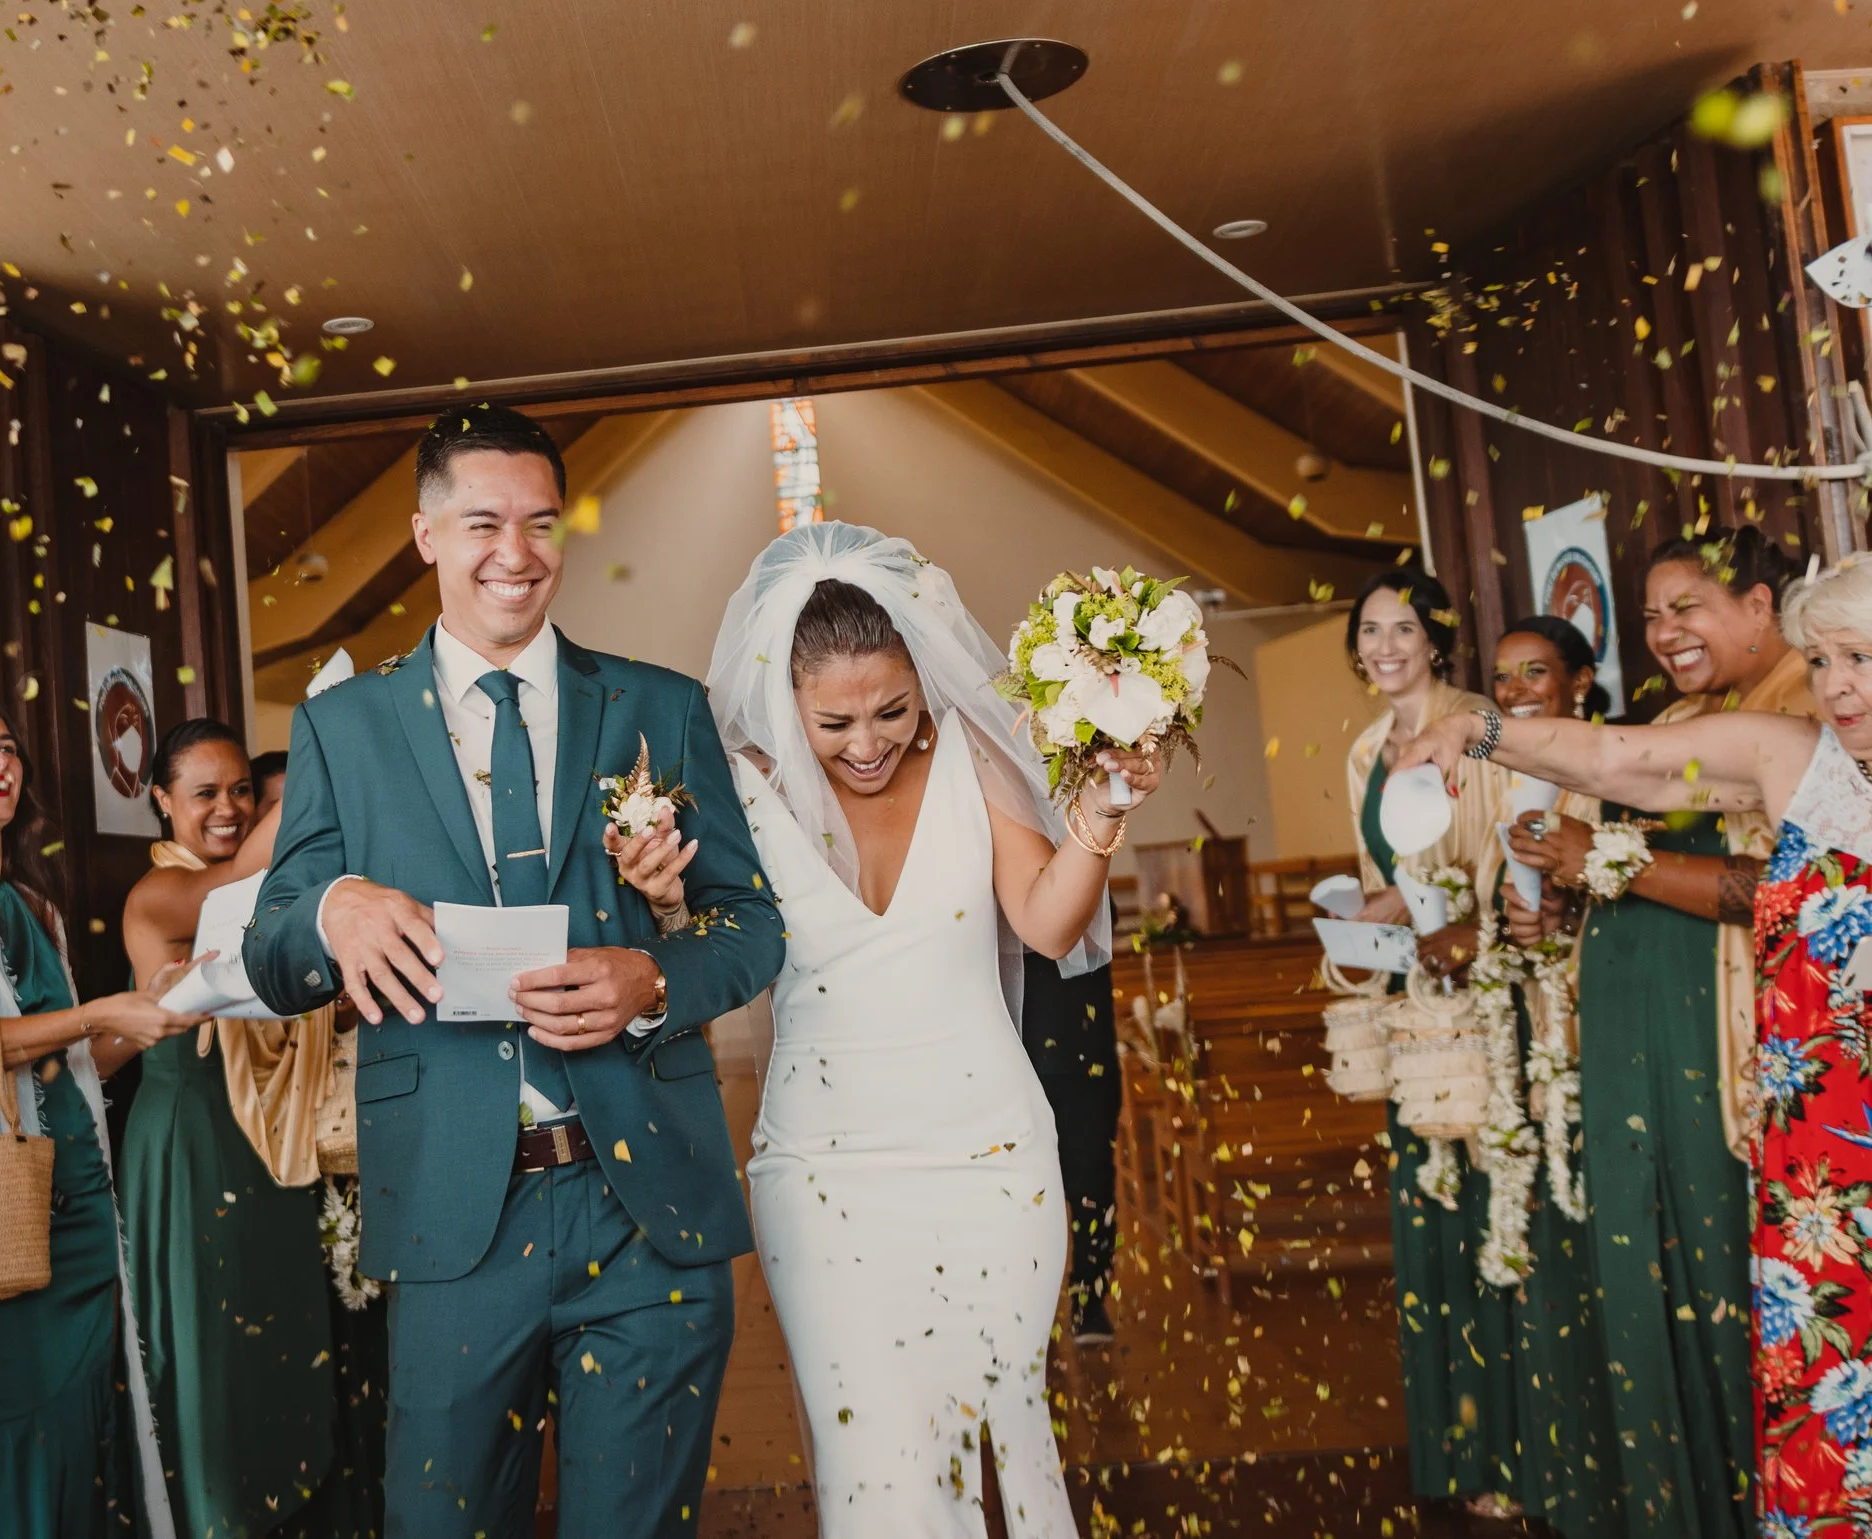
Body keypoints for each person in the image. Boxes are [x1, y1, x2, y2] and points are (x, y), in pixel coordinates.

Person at [241, 403, 784, 1539]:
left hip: (647, 1210)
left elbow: (749, 926)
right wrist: (333, 906)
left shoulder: (659, 706)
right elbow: (272, 947)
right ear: (426, 534)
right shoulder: (344, 726)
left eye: (541, 523)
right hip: (454, 1211)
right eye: (484, 522)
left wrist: (652, 981)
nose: (516, 553)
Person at [612, 523, 1162, 1536]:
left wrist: (1101, 810)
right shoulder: (739, 787)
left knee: (1008, 1439)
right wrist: (665, 904)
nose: (866, 744)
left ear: (922, 680)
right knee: (877, 1460)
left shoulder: (972, 757)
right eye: (833, 721)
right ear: (786, 696)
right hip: (824, 1174)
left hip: (991, 1158)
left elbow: (1048, 924)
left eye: (891, 711)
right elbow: (710, 961)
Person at [1397, 550, 1872, 1537]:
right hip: (1823, 1153)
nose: (1836, 685)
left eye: (1860, 658)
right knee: (1835, 1396)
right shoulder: (1800, 758)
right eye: (1823, 660)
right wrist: (1476, 729)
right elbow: (1620, 761)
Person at [1506, 530, 1807, 1539]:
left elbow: (1781, 888)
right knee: (1662, 1270)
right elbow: (1617, 829)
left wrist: (1606, 859)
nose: (1664, 631)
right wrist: (1565, 887)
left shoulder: (1805, 710)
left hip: (1735, 1043)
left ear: (1759, 604)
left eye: (1687, 607)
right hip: (1646, 1045)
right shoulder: (1679, 720)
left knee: (1734, 1271)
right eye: (1649, 615)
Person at [0, 694, 193, 1539]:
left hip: (80, 1216)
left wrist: (150, 1010)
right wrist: (96, 1013)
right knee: (19, 1446)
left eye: (8, 746)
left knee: (86, 1446)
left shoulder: (32, 904)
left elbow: (67, 1070)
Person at [119, 717, 383, 1538]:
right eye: (205, 793)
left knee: (283, 1347)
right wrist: (328, 752)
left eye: (242, 790)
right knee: (214, 1354)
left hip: (269, 1140)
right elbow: (239, 873)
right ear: (162, 800)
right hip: (194, 1139)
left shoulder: (269, 900)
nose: (229, 807)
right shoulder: (159, 893)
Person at [1332, 568, 1521, 1516]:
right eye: (1370, 630)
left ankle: (1517, 1455)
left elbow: (1502, 853)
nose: (1385, 646)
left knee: (1493, 1207)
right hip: (1417, 1005)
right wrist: (1362, 916)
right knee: (1432, 1215)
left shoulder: (1477, 724)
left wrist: (1431, 909)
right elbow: (1383, 876)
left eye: (1403, 628)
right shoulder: (1365, 749)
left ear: (1437, 638)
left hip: (1483, 991)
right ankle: (1458, 1449)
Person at [1470, 618, 1626, 1539]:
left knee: (1595, 1250)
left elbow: (1625, 890)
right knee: (1542, 1259)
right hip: (1530, 1039)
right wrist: (1513, 922)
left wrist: (1568, 918)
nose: (1519, 689)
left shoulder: (1612, 768)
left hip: (1595, 1045)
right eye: (1503, 676)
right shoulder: (1506, 777)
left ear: (1580, 679)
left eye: (1537, 672)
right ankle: (1561, 1473)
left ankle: (1613, 1478)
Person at [1021, 947, 1121, 1346]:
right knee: (1024, 1193)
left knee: (1092, 1179)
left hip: (1085, 1048)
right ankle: (1030, 1308)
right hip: (1018, 1049)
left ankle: (1089, 1300)